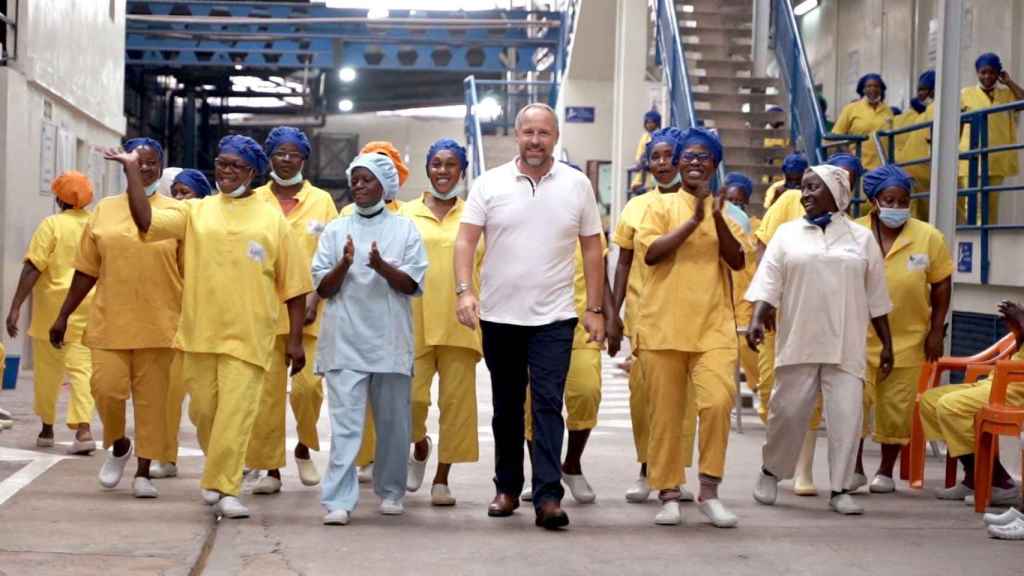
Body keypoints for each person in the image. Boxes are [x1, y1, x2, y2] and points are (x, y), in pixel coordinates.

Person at [110, 134, 311, 519]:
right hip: (200, 334)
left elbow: (295, 286)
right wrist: (133, 171)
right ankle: (219, 473)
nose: (227, 171)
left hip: (250, 336)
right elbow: (146, 220)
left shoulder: (273, 220)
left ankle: (226, 486)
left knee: (236, 414)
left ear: (252, 171)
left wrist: (296, 340)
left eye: (236, 165)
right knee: (204, 412)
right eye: (221, 163)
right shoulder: (196, 212)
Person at [453, 102, 605, 530]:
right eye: (528, 133)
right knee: (505, 407)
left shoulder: (577, 185)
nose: (535, 140)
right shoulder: (490, 183)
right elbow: (465, 242)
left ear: (555, 137)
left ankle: (548, 497)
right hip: (500, 315)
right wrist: (465, 292)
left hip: (555, 317)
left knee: (547, 406)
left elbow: (593, 246)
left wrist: (594, 308)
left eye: (544, 133)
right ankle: (506, 487)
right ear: (517, 135)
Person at [747, 164, 894, 516]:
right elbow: (769, 282)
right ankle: (771, 472)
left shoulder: (862, 240)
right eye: (804, 187)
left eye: (814, 188)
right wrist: (755, 318)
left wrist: (887, 345)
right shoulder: (787, 234)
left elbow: (876, 298)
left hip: (846, 344)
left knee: (846, 418)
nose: (805, 194)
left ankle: (841, 488)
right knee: (787, 413)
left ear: (837, 194)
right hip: (800, 338)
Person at [49, 139, 182, 499]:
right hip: (110, 321)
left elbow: (190, 273)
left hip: (159, 324)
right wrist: (63, 315)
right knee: (105, 390)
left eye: (151, 163)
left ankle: (143, 472)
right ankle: (119, 443)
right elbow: (86, 270)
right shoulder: (105, 210)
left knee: (152, 403)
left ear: (160, 166)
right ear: (124, 166)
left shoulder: (177, 212)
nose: (145, 168)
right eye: (137, 162)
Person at [633, 127, 746, 528]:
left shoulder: (726, 212)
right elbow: (651, 254)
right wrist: (692, 220)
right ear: (678, 163)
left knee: (717, 402)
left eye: (704, 157)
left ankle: (710, 490)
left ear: (715, 166)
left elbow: (736, 261)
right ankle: (668, 492)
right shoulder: (659, 207)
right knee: (664, 415)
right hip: (663, 325)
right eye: (689, 156)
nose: (696, 162)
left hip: (713, 326)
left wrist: (714, 217)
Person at [313, 153, 427, 525]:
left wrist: (380, 266)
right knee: (345, 426)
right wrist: (344, 264)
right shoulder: (334, 230)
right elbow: (324, 289)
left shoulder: (406, 229)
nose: (359, 186)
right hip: (344, 340)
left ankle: (391, 491)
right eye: (355, 180)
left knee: (394, 423)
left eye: (367, 180)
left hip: (390, 341)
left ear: (384, 186)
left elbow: (411, 284)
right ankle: (338, 500)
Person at [242, 127, 339, 495]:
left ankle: (304, 445)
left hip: (312, 312)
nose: (286, 160)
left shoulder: (322, 202)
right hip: (264, 311)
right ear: (269, 157)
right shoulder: (254, 199)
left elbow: (329, 255)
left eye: (293, 154)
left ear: (304, 159)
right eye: (279, 153)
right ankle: (270, 469)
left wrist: (315, 299)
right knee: (266, 395)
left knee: (308, 388)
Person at [850, 165, 952, 493]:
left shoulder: (928, 236)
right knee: (853, 404)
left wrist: (936, 331)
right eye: (889, 200)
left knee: (896, 407)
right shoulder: (854, 233)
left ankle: (885, 471)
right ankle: (853, 468)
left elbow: (941, 285)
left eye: (903, 201)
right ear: (874, 201)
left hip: (909, 337)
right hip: (858, 337)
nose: (897, 207)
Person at [609, 127, 692, 504]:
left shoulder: (700, 204)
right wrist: (614, 313)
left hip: (692, 315)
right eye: (655, 157)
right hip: (647, 317)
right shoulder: (636, 207)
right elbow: (623, 263)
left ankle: (674, 472)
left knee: (684, 401)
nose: (662, 163)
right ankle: (647, 468)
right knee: (644, 397)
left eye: (669, 156)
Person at [398, 139, 482, 506]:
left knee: (456, 404)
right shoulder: (404, 213)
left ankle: (442, 478)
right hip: (412, 320)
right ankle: (419, 446)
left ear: (461, 172)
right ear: (427, 168)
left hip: (460, 322)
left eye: (451, 165)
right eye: (436, 164)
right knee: (412, 400)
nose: (443, 171)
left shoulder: (476, 215)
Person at [6, 171, 96, 454]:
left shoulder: (51, 225)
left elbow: (33, 266)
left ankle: (47, 427)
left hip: (51, 309)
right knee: (82, 369)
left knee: (48, 372)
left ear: (59, 198)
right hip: (87, 306)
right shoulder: (96, 225)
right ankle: (83, 430)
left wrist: (15, 306)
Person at [920, 300, 1024, 508]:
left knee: (951, 406)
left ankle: (999, 483)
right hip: (1000, 380)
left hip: (1016, 387)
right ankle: (974, 478)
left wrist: (1022, 320)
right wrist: (1017, 328)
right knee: (929, 401)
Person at [347, 140, 410, 481]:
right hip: (352, 325)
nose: (363, 183)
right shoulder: (345, 218)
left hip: (395, 324)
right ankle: (363, 460)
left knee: (394, 408)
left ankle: (392, 473)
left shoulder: (407, 219)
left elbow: (413, 278)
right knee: (353, 405)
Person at [958, 52, 1024, 225]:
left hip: (997, 158)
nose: (987, 76)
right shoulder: (965, 94)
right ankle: (977, 243)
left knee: (991, 206)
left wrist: (1009, 82)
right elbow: (955, 125)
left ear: (998, 74)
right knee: (974, 205)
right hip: (971, 158)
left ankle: (987, 242)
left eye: (992, 72)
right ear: (977, 73)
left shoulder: (1006, 94)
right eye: (983, 72)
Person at [721, 173, 761, 400]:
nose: (735, 206)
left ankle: (758, 387)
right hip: (724, 296)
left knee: (747, 346)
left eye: (739, 202)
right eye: (731, 201)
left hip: (747, 294)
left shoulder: (756, 227)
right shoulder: (720, 223)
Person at [833, 73, 895, 170]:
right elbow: (837, 136)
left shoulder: (888, 111)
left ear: (881, 90)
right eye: (868, 86)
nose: (873, 89)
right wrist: (852, 159)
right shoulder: (851, 108)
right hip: (859, 167)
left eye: (876, 86)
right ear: (863, 89)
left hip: (883, 166)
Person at [629, 110, 662, 196]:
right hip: (643, 169)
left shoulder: (660, 136)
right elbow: (639, 153)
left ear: (657, 123)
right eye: (647, 122)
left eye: (652, 122)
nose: (649, 125)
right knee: (635, 187)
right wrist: (639, 162)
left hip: (653, 171)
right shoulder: (644, 136)